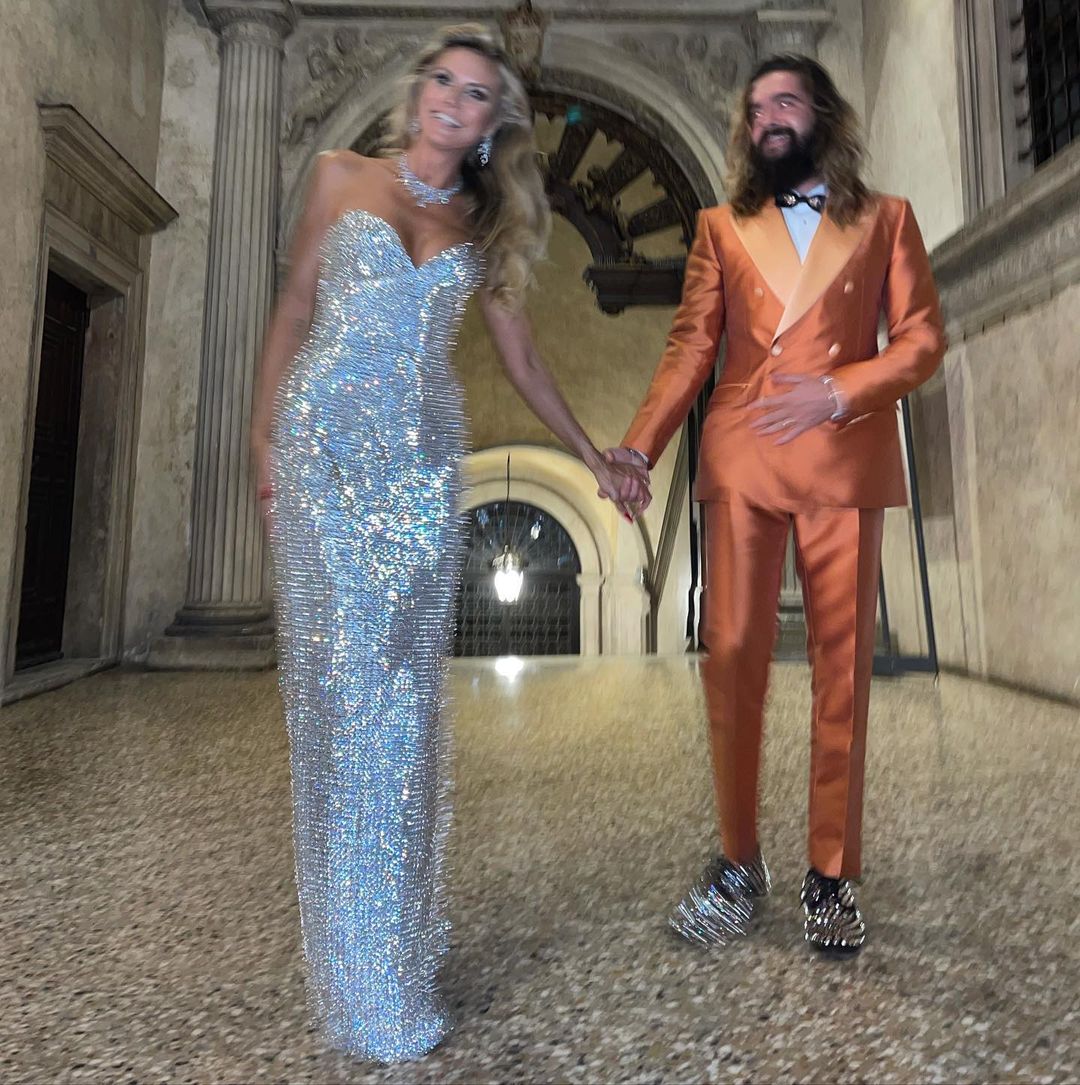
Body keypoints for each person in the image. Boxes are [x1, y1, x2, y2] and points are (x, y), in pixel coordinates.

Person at [249, 25, 649, 1063]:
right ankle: (360, 970)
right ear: (418, 89)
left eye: (476, 94)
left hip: (422, 470)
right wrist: (261, 437)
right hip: (325, 450)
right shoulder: (338, 176)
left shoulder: (486, 222)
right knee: (342, 700)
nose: (451, 101)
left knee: (399, 710)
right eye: (443, 80)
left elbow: (523, 359)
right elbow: (295, 307)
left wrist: (594, 455)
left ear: (490, 124)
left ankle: (387, 956)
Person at [605, 54, 945, 954]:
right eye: (756, 111)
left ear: (823, 115)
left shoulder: (886, 219)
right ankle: (736, 862)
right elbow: (690, 348)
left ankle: (830, 875)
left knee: (843, 665)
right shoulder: (721, 227)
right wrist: (639, 444)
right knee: (730, 657)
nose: (769, 120)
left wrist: (837, 391)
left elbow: (921, 341)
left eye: (786, 102)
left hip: (843, 452)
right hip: (745, 454)